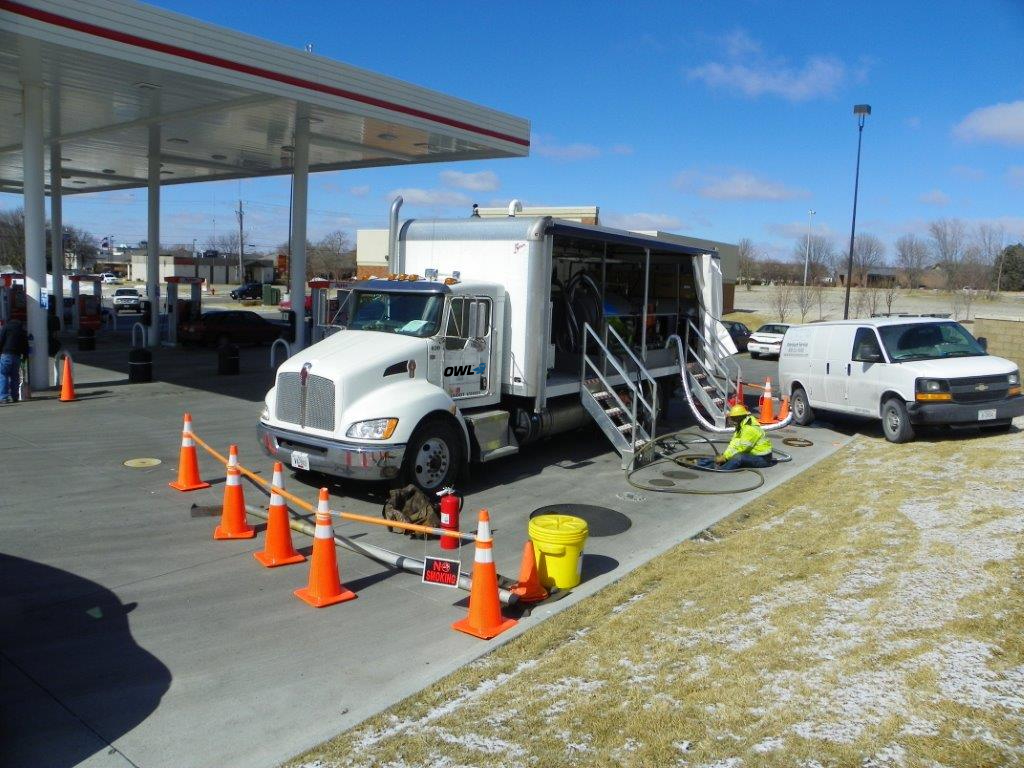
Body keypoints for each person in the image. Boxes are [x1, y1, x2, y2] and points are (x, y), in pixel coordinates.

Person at [715, 403, 773, 470]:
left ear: (739, 418)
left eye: (734, 418)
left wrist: (726, 458)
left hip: (763, 459)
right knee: (732, 456)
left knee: (739, 457)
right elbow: (733, 444)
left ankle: (722, 469)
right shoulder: (741, 427)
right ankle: (707, 464)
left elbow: (742, 449)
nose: (732, 421)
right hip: (754, 455)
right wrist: (724, 455)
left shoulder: (749, 429)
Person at [0, 318, 29, 404]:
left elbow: (1, 340)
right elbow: (25, 345)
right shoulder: (22, 331)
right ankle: (15, 396)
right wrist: (25, 357)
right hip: (17, 357)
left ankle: (3, 397)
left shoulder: (6, 327)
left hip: (6, 355)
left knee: (3, 375)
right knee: (15, 376)